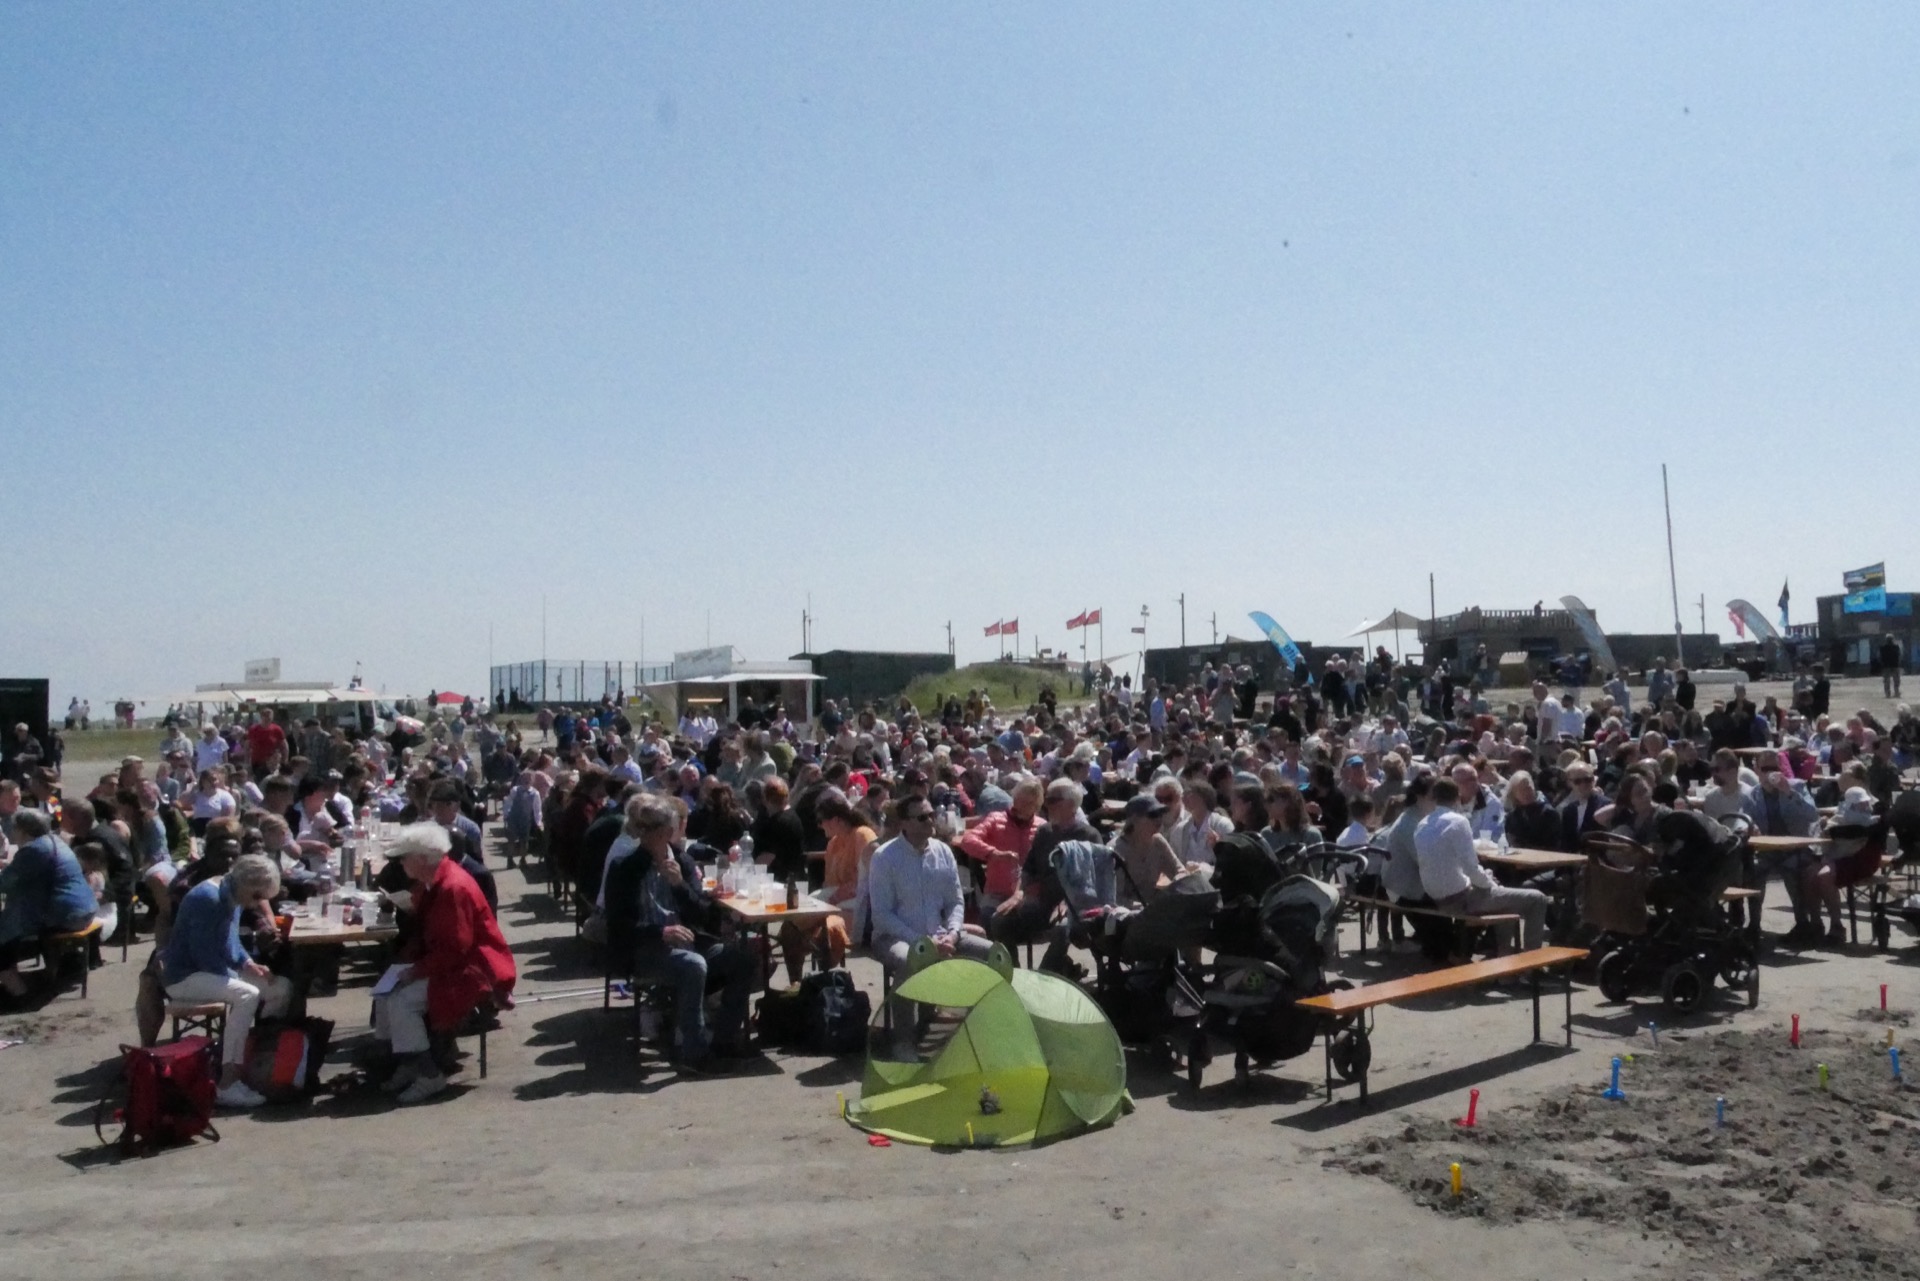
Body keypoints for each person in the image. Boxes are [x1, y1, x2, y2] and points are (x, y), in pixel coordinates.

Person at [602, 798, 756, 1073]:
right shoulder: (626, 868)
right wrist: (661, 932)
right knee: (693, 966)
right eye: (651, 830)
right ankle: (693, 1053)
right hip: (648, 949)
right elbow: (620, 925)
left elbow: (704, 914)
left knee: (743, 960)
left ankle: (723, 1040)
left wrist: (680, 886)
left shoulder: (682, 861)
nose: (659, 836)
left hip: (692, 941)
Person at [372, 824, 517, 1102]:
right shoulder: (435, 880)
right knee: (383, 994)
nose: (400, 862)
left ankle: (429, 1075)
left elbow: (456, 949)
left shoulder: (452, 887)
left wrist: (416, 971)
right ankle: (409, 1063)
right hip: (453, 964)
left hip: (473, 971)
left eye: (404, 856)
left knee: (400, 1001)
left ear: (423, 858)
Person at [160, 853, 294, 1109]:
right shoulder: (207, 900)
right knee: (248, 994)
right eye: (256, 896)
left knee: (281, 988)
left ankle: (253, 1053)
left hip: (211, 969)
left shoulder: (232, 892)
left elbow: (230, 941)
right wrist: (241, 976)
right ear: (244, 883)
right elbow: (204, 956)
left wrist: (247, 964)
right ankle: (229, 1080)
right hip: (184, 976)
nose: (257, 904)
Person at [869, 796, 994, 1058]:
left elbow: (956, 902)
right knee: (910, 959)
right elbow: (882, 915)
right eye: (922, 817)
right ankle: (904, 1041)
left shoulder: (943, 851)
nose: (931, 821)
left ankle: (976, 1032)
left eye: (931, 814)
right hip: (894, 937)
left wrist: (953, 932)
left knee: (994, 955)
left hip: (942, 934)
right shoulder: (884, 857)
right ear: (904, 823)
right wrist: (923, 942)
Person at [1415, 778, 1549, 952]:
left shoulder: (1422, 824)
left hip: (1437, 897)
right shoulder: (1458, 822)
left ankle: (1504, 962)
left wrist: (1484, 880)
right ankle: (1532, 960)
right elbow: (1471, 869)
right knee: (1537, 898)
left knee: (1504, 906)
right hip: (1461, 899)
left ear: (1434, 798)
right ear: (1457, 798)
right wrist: (1489, 882)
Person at [0, 810, 98, 1008]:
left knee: (6, 930)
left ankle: (18, 993)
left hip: (66, 915)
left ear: (23, 830)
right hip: (83, 908)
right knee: (11, 920)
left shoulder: (33, 850)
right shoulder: (54, 841)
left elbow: (5, 882)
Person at [775, 788, 861, 983]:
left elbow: (867, 879)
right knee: (791, 929)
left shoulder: (861, 835)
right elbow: (828, 883)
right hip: (835, 902)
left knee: (818, 929)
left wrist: (834, 898)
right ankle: (796, 983)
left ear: (837, 820)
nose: (820, 826)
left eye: (822, 821)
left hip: (858, 904)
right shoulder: (832, 845)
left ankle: (821, 985)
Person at [956, 776, 1041, 916]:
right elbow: (968, 841)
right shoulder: (996, 819)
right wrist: (994, 854)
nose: (1023, 806)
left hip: (1028, 893)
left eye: (1029, 803)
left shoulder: (1042, 827)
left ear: (1037, 806)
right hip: (997, 893)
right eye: (1020, 800)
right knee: (988, 916)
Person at [1109, 794, 1184, 908]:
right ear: (1134, 819)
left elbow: (1179, 872)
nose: (1159, 819)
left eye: (1160, 814)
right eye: (1153, 815)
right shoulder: (1116, 850)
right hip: (1125, 915)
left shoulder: (1158, 842)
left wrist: (1181, 880)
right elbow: (1114, 897)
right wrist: (1145, 907)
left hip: (1152, 909)